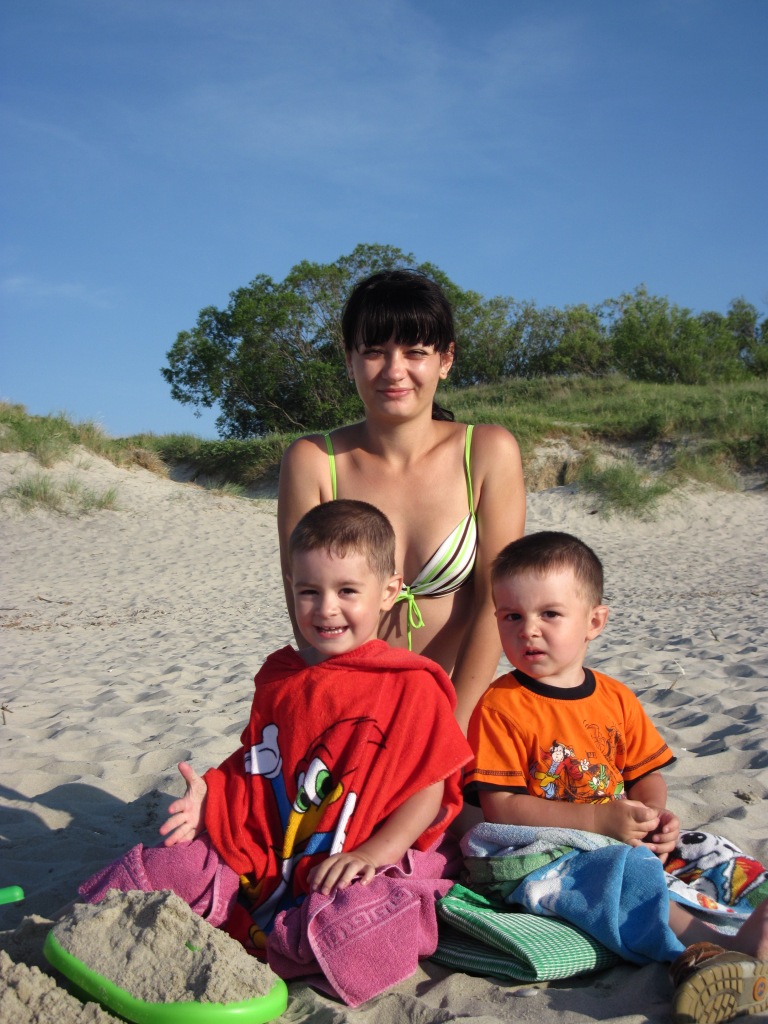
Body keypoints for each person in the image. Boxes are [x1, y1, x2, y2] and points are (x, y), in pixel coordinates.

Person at [78, 500, 472, 960]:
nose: (326, 609)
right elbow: (260, 764)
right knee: (171, 866)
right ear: (291, 586)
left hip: (363, 851)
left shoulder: (411, 683)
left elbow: (427, 790)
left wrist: (371, 855)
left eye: (347, 591)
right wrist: (210, 798)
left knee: (359, 928)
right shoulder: (282, 676)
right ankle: (87, 925)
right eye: (309, 591)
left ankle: (288, 938)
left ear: (388, 592)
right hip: (269, 848)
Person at [463, 530, 768, 1012]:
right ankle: (709, 950)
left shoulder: (615, 697)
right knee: (617, 878)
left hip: (616, 831)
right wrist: (598, 820)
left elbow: (646, 775)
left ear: (594, 622)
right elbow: (500, 807)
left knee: (708, 848)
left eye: (549, 614)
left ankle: (752, 907)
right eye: (512, 616)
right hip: (544, 850)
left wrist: (652, 815)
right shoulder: (502, 705)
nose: (528, 630)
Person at [277, 269, 525, 734]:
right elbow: (303, 601)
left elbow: (498, 602)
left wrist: (453, 723)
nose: (394, 371)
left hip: (458, 707)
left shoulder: (488, 453)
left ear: (445, 360)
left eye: (415, 352)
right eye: (374, 351)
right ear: (349, 360)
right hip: (349, 709)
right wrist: (351, 713)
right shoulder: (312, 461)